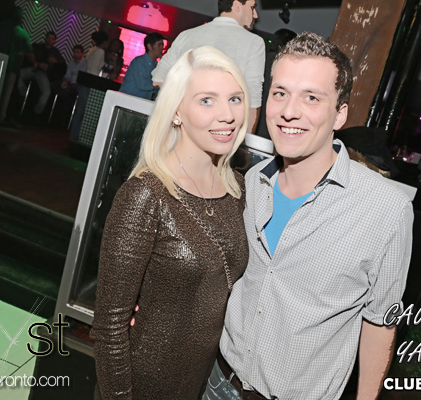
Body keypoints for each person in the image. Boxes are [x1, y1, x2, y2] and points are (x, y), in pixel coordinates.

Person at [204, 32, 414, 400]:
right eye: (280, 93)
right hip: (218, 381)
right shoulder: (252, 182)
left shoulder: (387, 209)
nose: (289, 111)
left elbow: (380, 322)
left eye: (311, 97)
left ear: (340, 114)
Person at [90, 46, 250, 400]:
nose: (227, 115)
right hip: (142, 384)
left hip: (198, 383)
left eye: (235, 99)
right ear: (177, 111)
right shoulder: (145, 195)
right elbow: (109, 327)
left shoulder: (238, 190)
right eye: (207, 100)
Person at [152, 0, 265, 132]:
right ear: (236, 6)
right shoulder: (254, 42)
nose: (255, 15)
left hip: (181, 127)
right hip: (222, 129)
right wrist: (246, 141)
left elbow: (157, 80)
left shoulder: (186, 35)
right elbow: (252, 101)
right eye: (252, 7)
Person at [0, 6, 34, 124]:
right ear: (20, 19)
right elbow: (29, 53)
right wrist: (36, 64)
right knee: (5, 96)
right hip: (11, 68)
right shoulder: (23, 33)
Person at [70, 30, 108, 140]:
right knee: (88, 110)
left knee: (80, 109)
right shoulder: (101, 51)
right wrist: (106, 71)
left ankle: (73, 134)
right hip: (92, 82)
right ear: (104, 41)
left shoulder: (92, 50)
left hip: (84, 80)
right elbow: (97, 68)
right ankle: (81, 135)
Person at [18, 31, 65, 116]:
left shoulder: (55, 52)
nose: (50, 40)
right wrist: (37, 63)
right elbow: (28, 53)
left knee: (47, 92)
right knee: (17, 74)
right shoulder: (37, 47)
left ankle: (37, 112)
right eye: (48, 37)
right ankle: (22, 94)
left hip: (42, 74)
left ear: (54, 41)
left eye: (52, 39)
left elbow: (62, 64)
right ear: (45, 38)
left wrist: (54, 62)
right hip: (32, 68)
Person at [119, 33, 164, 100]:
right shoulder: (139, 62)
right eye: (159, 45)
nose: (162, 48)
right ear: (149, 46)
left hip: (139, 101)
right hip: (127, 100)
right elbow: (143, 85)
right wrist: (159, 85)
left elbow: (153, 89)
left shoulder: (155, 65)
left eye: (162, 45)